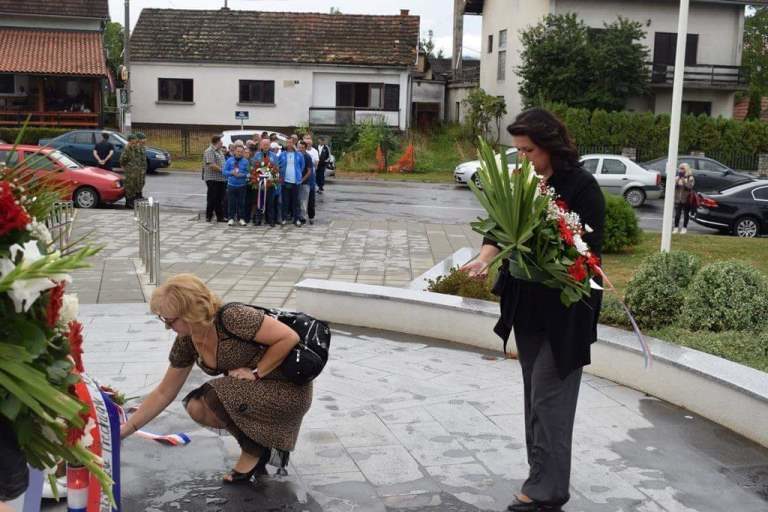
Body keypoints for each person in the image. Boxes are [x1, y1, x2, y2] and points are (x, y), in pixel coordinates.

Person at [462, 108, 605, 512]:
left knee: (550, 401)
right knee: (534, 398)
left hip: (566, 314)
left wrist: (547, 242)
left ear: (550, 147)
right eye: (517, 150)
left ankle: (548, 490)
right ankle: (541, 477)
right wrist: (484, 259)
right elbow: (499, 229)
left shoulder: (582, 186)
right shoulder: (523, 182)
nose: (521, 158)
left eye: (528, 150)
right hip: (527, 310)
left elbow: (588, 254)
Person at [119, 274, 313, 482]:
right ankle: (258, 446)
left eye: (169, 319)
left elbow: (289, 337)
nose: (167, 326)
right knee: (197, 405)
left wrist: (256, 372)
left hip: (287, 388)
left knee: (214, 394)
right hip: (249, 391)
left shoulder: (233, 317)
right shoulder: (187, 340)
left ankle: (253, 452)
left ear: (189, 312)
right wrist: (126, 429)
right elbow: (164, 392)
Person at [278, 138, 304, 227]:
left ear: (294, 143)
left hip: (295, 181)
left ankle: (296, 219)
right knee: (285, 201)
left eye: (291, 142)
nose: (289, 144)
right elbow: (278, 165)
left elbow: (302, 166)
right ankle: (284, 218)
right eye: (287, 142)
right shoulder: (282, 154)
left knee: (296, 201)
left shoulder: (299, 155)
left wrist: (298, 175)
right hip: (285, 181)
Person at [254, 139, 280, 227]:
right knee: (259, 201)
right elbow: (254, 168)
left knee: (270, 202)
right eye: (264, 144)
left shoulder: (274, 156)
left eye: (267, 145)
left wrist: (272, 178)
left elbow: (276, 168)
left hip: (270, 182)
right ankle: (258, 219)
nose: (265, 146)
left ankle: (271, 220)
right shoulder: (257, 155)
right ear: (261, 145)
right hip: (260, 183)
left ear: (269, 146)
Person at [222, 145, 250, 226]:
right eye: (238, 151)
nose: (239, 153)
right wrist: (231, 173)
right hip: (231, 185)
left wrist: (242, 175)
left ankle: (241, 218)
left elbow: (249, 173)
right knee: (231, 203)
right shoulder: (229, 160)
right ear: (234, 152)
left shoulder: (246, 161)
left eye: (241, 152)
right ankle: (231, 218)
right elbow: (224, 172)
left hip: (242, 185)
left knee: (242, 203)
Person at [203, 135, 227, 222]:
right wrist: (223, 170)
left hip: (222, 179)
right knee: (212, 198)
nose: (222, 142)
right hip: (213, 179)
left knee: (220, 199)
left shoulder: (219, 151)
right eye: (221, 141)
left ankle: (220, 217)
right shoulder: (209, 151)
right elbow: (211, 165)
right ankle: (208, 216)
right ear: (217, 142)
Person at [119, 133, 146, 209]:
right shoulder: (127, 149)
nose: (135, 143)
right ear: (130, 141)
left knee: (133, 187)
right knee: (129, 187)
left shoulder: (134, 148)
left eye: (135, 142)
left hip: (135, 172)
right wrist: (126, 167)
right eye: (134, 142)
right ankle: (128, 203)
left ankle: (132, 201)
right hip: (129, 172)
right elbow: (122, 160)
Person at [674, 163, 695, 234]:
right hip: (678, 199)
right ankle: (676, 227)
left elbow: (690, 187)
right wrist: (677, 181)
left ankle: (684, 228)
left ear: (686, 169)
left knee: (686, 214)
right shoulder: (677, 177)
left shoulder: (690, 177)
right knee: (677, 214)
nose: (681, 170)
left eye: (682, 168)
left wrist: (683, 180)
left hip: (686, 199)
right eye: (680, 168)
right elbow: (674, 186)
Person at [297, 141, 314, 225]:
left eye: (302, 148)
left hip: (305, 183)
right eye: (299, 147)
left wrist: (302, 180)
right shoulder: (295, 155)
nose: (300, 149)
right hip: (295, 183)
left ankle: (302, 218)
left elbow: (309, 171)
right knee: (297, 201)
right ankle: (296, 217)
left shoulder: (307, 157)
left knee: (303, 201)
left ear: (305, 148)